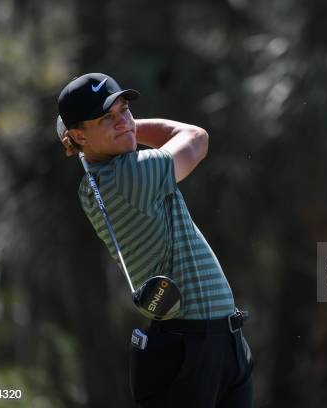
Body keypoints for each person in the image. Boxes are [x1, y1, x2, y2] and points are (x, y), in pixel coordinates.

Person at [56, 73, 253, 407]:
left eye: (124, 111)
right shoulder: (128, 176)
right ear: (78, 135)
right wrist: (131, 127)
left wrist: (113, 128)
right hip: (188, 352)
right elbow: (195, 137)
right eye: (107, 117)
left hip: (216, 344)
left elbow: (119, 135)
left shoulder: (101, 178)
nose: (123, 122)